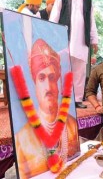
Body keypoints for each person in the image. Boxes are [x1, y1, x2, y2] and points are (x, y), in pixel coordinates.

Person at [14, 39, 80, 178]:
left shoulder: (72, 125)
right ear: (34, 85)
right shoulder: (22, 139)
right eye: (41, 78)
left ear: (58, 83)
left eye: (52, 77)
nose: (48, 87)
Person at [49, 0, 99, 109]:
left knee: (80, 71)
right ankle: (61, 98)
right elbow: (54, 18)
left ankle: (77, 99)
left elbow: (92, 21)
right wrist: (51, 36)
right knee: (62, 69)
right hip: (64, 40)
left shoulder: (88, 2)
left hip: (82, 41)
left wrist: (94, 40)